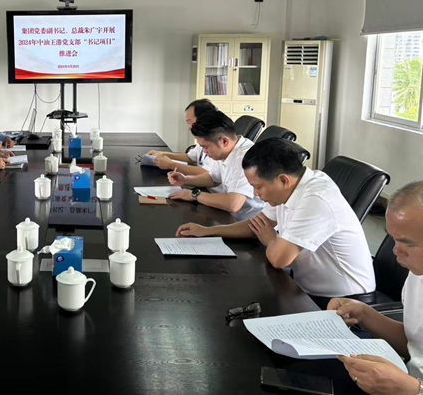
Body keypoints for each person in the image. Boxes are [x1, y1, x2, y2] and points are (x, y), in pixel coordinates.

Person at [178, 138, 375, 307]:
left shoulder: (316, 198)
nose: (255, 194)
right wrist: (209, 231)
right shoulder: (290, 188)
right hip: (306, 288)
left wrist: (270, 239)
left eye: (259, 187)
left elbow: (279, 259)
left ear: (283, 180)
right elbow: (256, 225)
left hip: (345, 302)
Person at [328, 181, 423, 395]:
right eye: (394, 239)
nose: (396, 251)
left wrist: (413, 389)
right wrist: (365, 315)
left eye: (408, 243)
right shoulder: (417, 274)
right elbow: (415, 342)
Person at [167, 110, 264, 220]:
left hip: (249, 223)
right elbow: (213, 178)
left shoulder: (245, 158)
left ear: (224, 141)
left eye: (206, 147)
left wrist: (194, 195)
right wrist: (185, 179)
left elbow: (233, 204)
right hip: (230, 216)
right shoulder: (226, 150)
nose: (204, 152)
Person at [146, 98, 218, 177]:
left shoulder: (217, 141)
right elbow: (190, 158)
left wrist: (172, 165)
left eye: (190, 122)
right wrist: (163, 154)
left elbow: (209, 174)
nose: (189, 128)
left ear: (204, 119)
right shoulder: (203, 137)